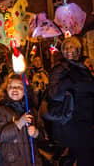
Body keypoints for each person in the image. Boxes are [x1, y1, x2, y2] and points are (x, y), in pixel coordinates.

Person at [46, 36, 94, 166]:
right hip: (71, 122)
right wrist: (69, 83)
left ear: (78, 50)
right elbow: (53, 94)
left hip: (86, 121)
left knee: (87, 157)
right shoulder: (59, 69)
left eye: (71, 46)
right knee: (74, 158)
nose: (68, 50)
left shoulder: (85, 68)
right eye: (65, 48)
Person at [0, 74, 44, 166]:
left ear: (25, 91)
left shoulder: (31, 110)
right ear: (6, 90)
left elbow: (42, 134)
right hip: (12, 161)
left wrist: (36, 133)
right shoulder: (1, 110)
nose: (15, 89)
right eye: (11, 87)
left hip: (31, 160)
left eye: (19, 87)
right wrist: (18, 124)